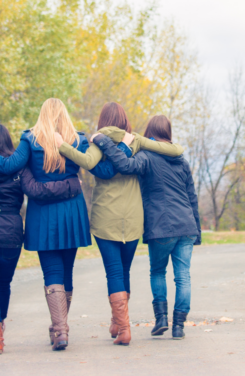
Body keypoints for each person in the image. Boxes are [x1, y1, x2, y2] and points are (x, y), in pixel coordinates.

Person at [0, 99, 102, 351]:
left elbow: (9, 165)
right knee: (67, 271)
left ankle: (60, 330)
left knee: (52, 272)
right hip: (72, 211)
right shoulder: (78, 140)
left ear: (42, 115)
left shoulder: (30, 140)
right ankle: (60, 329)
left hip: (43, 214)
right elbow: (88, 164)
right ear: (64, 115)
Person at [55, 102, 184, 346]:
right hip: (134, 217)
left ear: (103, 120)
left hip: (106, 217)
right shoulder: (136, 141)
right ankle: (118, 322)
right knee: (124, 270)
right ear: (125, 120)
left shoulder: (97, 141)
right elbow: (175, 150)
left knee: (113, 271)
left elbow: (86, 162)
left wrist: (59, 144)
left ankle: (123, 328)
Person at [0, 123, 82, 355]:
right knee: (2, 284)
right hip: (9, 235)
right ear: (9, 144)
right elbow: (38, 191)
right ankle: (2, 330)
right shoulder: (19, 169)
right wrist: (70, 184)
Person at [91, 115, 201, 340]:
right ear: (168, 134)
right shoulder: (181, 160)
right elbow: (192, 197)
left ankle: (161, 319)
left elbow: (122, 164)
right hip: (187, 225)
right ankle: (178, 326)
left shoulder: (146, 156)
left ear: (149, 134)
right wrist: (196, 230)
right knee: (183, 276)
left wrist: (103, 141)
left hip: (161, 226)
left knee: (158, 271)